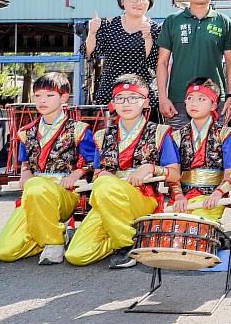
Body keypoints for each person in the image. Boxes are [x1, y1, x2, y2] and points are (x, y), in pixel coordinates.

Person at [64, 74, 180, 269]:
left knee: (104, 184)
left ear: (145, 102)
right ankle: (137, 237)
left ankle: (126, 245)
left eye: (133, 97)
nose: (126, 103)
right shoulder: (101, 136)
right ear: (113, 103)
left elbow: (175, 174)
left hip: (142, 198)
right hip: (109, 198)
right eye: (120, 98)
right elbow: (98, 172)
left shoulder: (160, 132)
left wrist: (150, 168)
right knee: (77, 255)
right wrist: (102, 176)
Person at [0, 73, 96, 265]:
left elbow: (94, 162)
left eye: (49, 95)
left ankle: (54, 242)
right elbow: (25, 162)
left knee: (36, 186)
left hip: (64, 193)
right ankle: (56, 231)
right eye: (38, 95)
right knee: (5, 251)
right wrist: (25, 172)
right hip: (34, 195)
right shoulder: (27, 131)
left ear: (64, 97)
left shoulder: (78, 129)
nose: (42, 100)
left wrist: (77, 172)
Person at [157, 0, 231, 128]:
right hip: (179, 100)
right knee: (178, 148)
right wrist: (163, 98)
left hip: (215, 100)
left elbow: (230, 62)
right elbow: (162, 62)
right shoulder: (173, 21)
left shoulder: (224, 21)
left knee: (213, 150)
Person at [169, 78, 231, 222]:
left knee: (195, 224)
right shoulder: (176, 136)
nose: (194, 103)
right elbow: (173, 174)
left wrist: (218, 193)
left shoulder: (224, 134)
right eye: (190, 98)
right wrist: (178, 195)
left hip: (211, 198)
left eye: (201, 99)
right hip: (183, 198)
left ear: (214, 105)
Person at [84, 0, 161, 113]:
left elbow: (154, 61)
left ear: (149, 3)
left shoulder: (156, 29)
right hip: (111, 93)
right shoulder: (108, 25)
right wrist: (92, 32)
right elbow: (89, 54)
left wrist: (147, 37)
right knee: (110, 133)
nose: (138, 2)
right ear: (122, 1)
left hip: (143, 96)